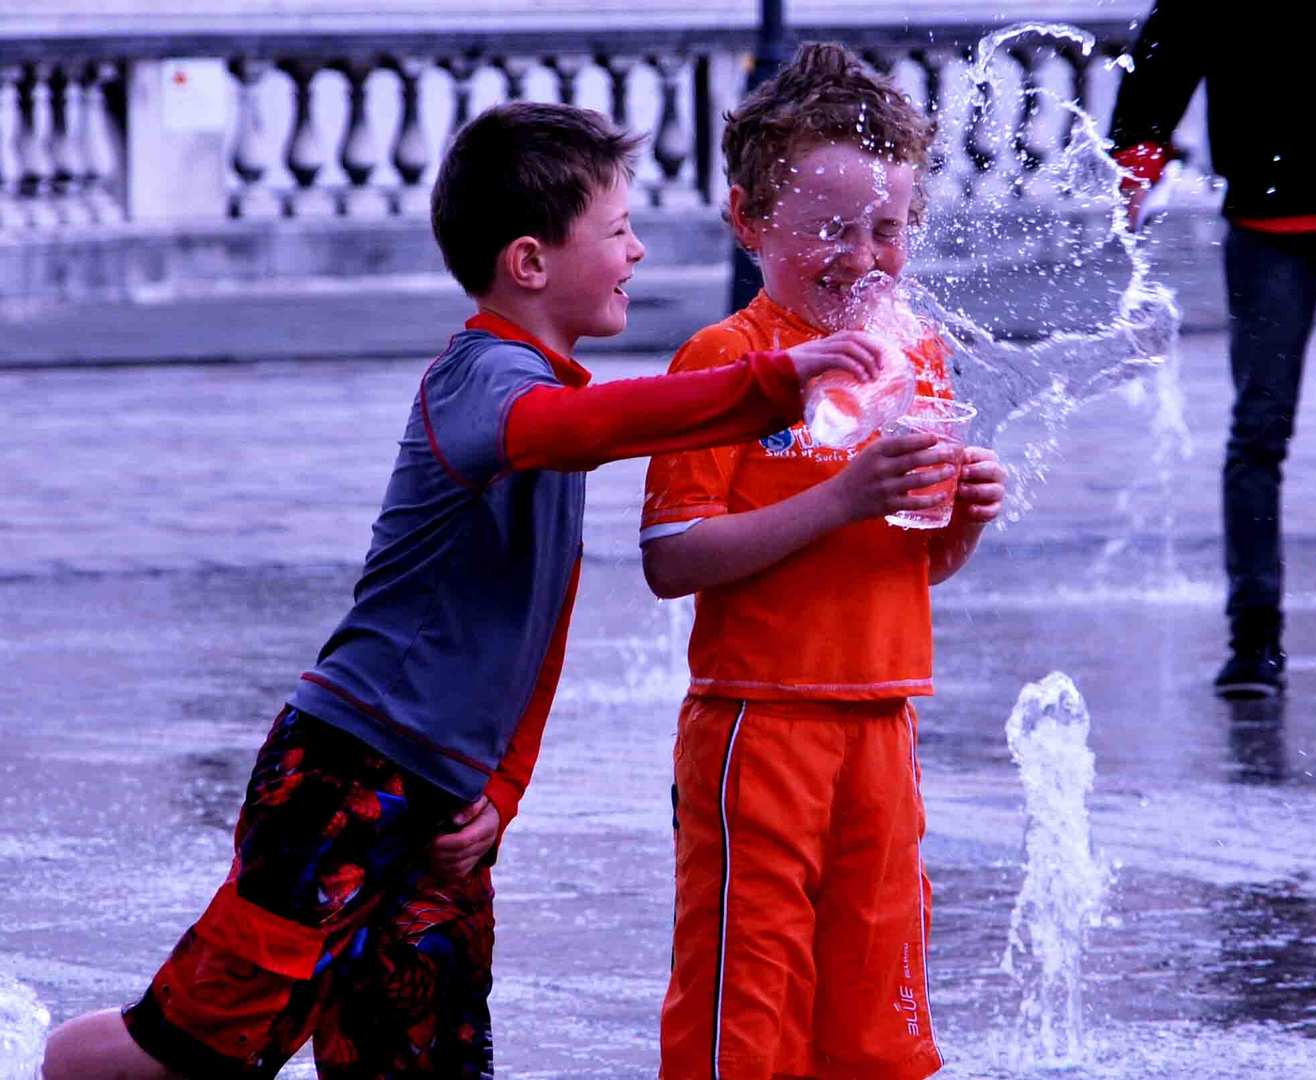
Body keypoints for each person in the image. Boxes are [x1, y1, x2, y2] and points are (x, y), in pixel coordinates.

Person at [41, 101, 888, 1079]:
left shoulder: (559, 401)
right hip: (341, 779)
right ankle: (63, 1063)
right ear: (530, 262)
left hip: (445, 811)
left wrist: (501, 793)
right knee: (197, 1053)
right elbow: (572, 429)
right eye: (617, 231)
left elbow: (538, 638)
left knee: (425, 1061)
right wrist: (770, 384)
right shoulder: (483, 378)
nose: (640, 252)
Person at [640, 45, 1007, 1079]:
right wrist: (841, 494)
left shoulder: (916, 354)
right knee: (746, 989)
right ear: (751, 224)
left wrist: (959, 522)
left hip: (884, 719)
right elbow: (672, 558)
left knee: (877, 987)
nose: (865, 257)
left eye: (888, 228)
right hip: (760, 721)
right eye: (832, 231)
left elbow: (907, 565)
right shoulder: (727, 363)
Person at [1109, 1, 1316, 696]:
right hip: (1268, 215)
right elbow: (1168, 45)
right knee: (1259, 429)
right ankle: (1255, 635)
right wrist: (1136, 152)